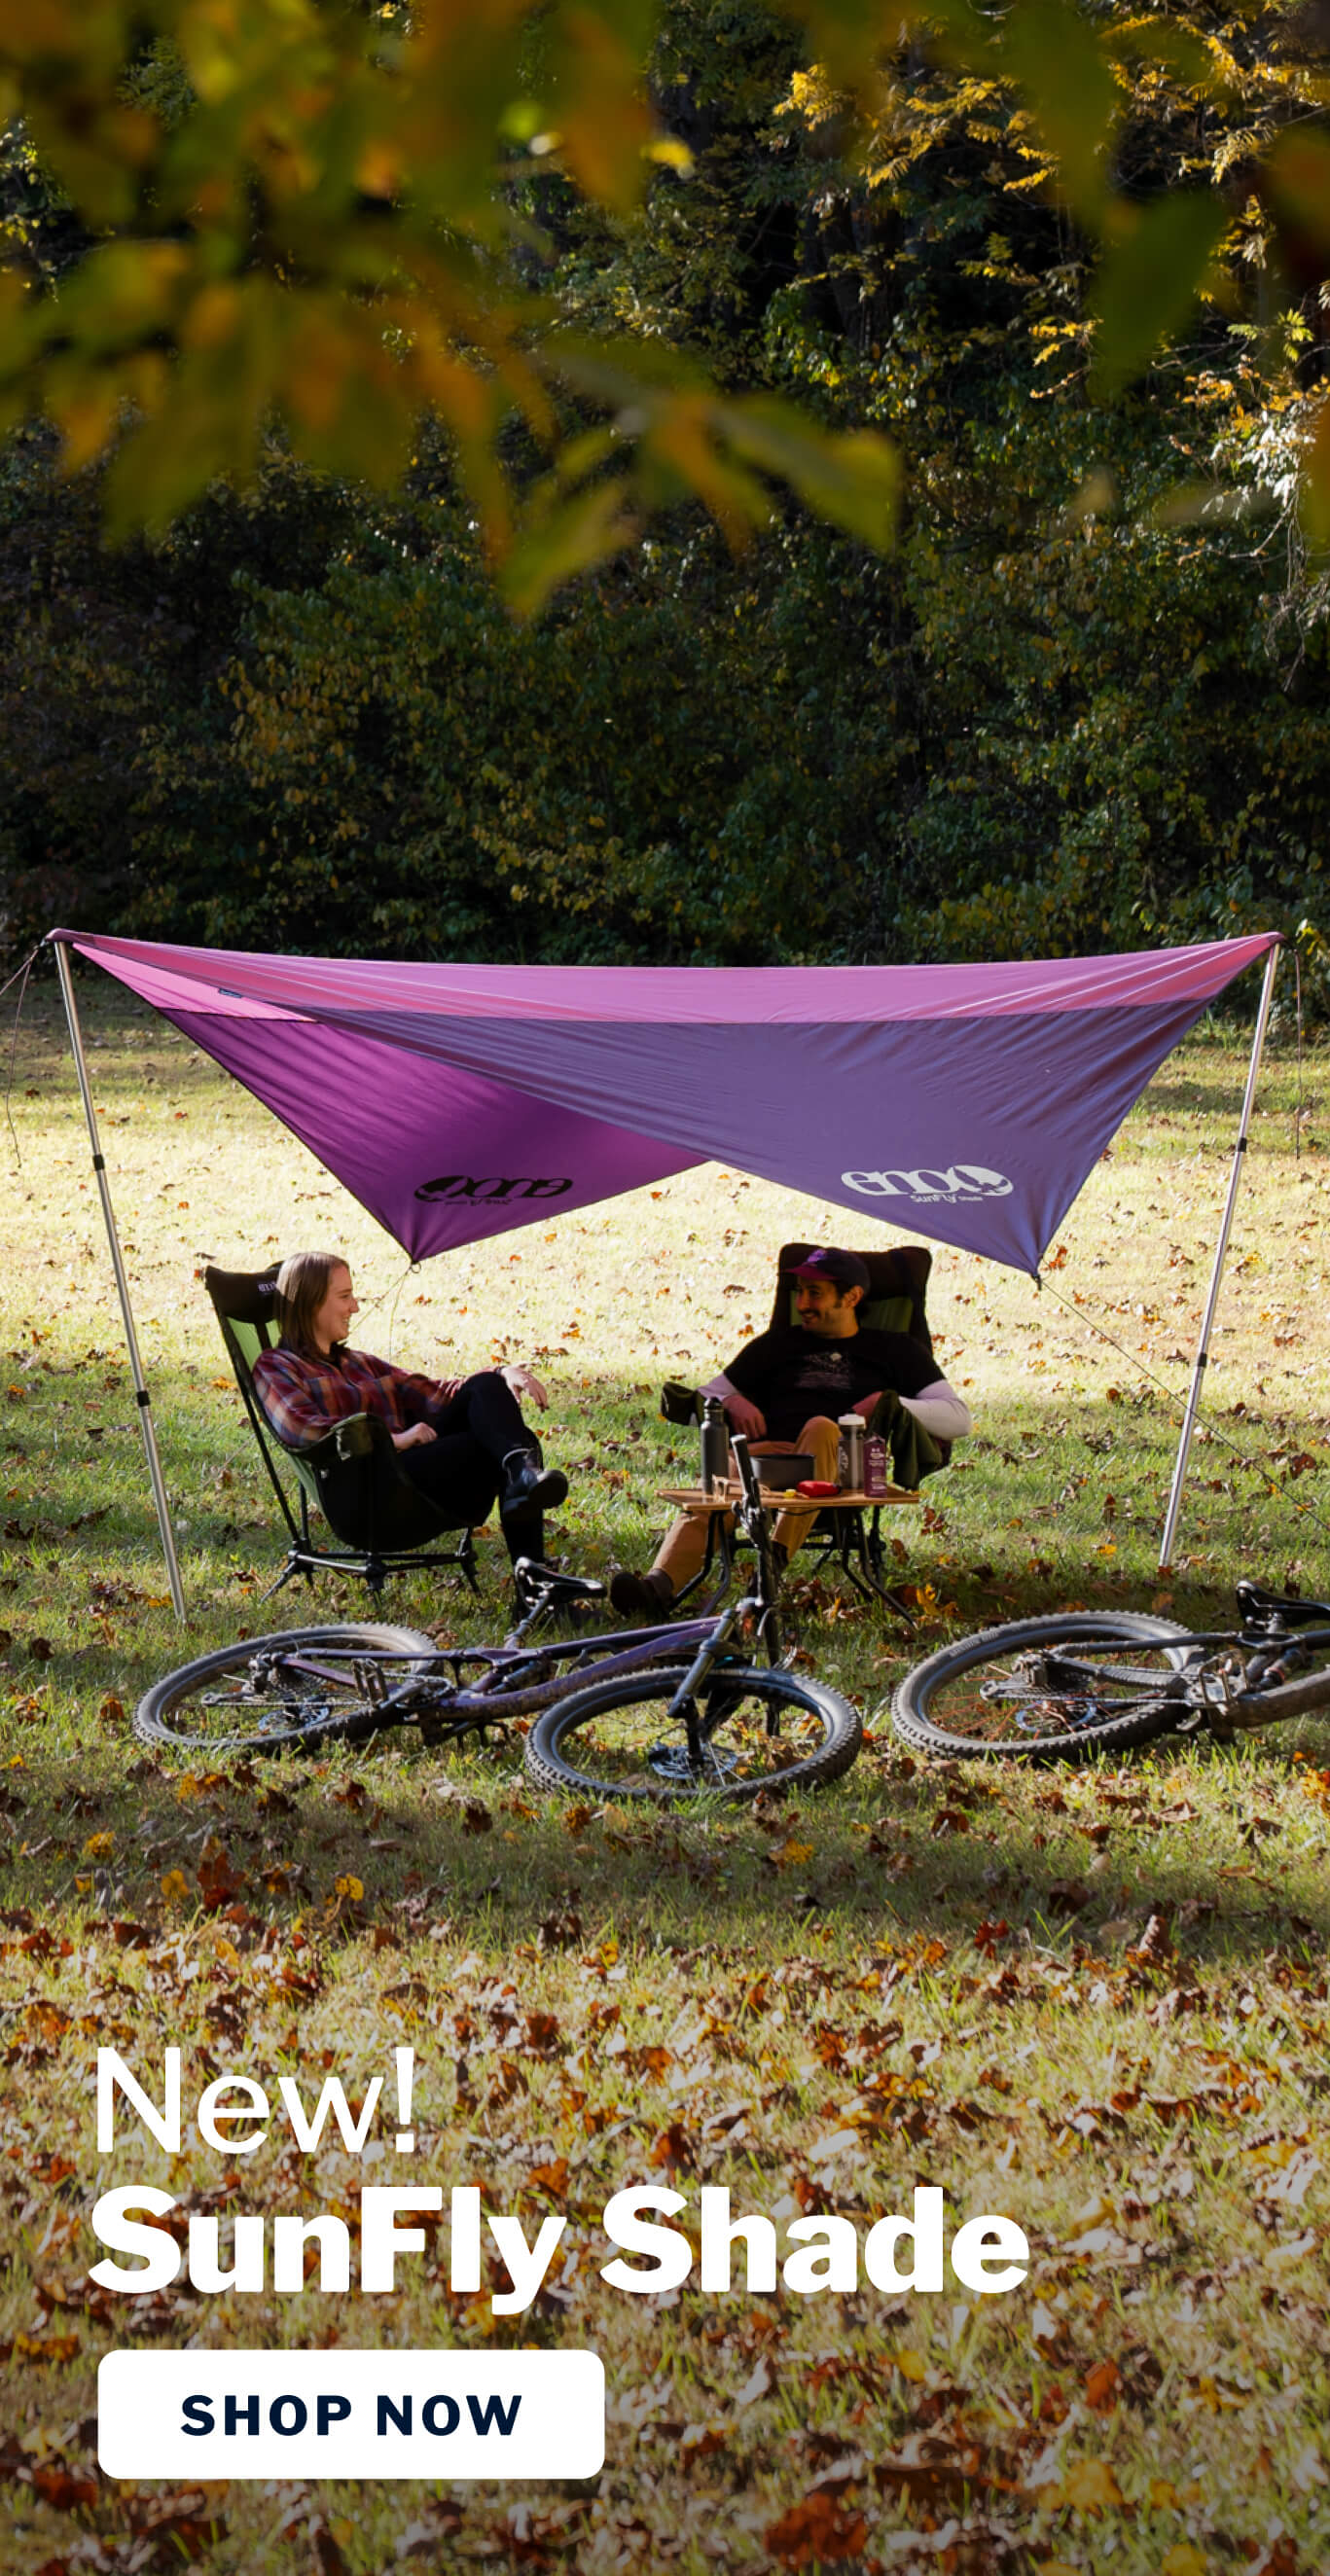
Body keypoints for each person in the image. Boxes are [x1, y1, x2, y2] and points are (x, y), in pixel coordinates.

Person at [609, 1247, 973, 1614]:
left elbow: (959, 1419)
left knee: (821, 1428)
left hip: (842, 1470)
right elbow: (702, 1399)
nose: (802, 1303)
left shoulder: (895, 1350)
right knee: (719, 1487)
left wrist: (888, 1402)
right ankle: (657, 1588)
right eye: (798, 1291)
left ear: (852, 1297)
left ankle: (769, 1571)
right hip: (767, 1462)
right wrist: (731, 1403)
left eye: (815, 1293)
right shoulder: (778, 1345)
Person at [252, 1251, 568, 1568]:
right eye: (345, 1296)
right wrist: (395, 1439)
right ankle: (535, 1582)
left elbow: (437, 1394)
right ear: (311, 1303)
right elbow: (305, 1430)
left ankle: (522, 1474)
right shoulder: (275, 1367)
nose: (356, 1306)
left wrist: (502, 1376)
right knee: (496, 1446)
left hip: (414, 1478)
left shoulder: (360, 1363)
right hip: (369, 1496)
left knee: (486, 1388)